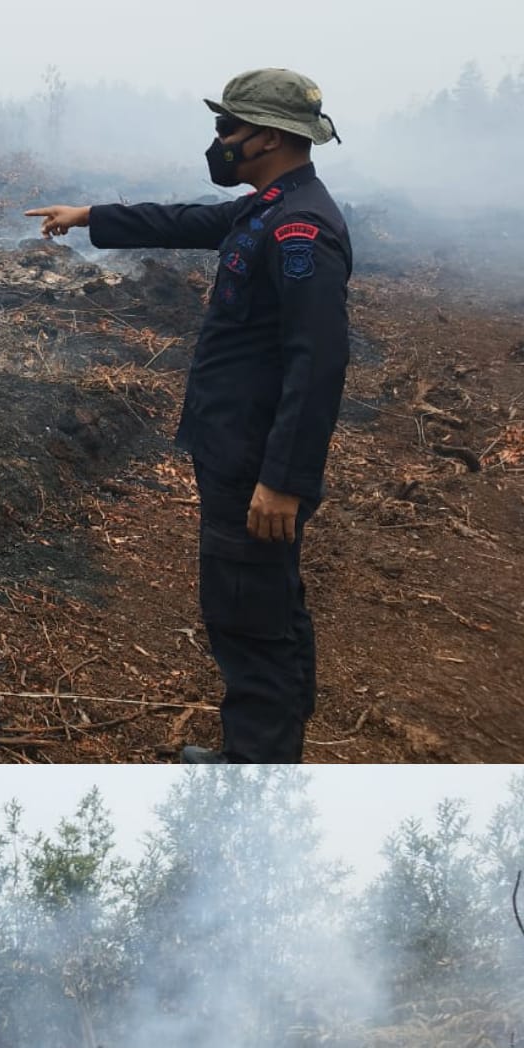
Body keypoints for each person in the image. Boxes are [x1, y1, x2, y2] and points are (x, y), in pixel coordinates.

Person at [27, 69, 351, 763]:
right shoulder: (267, 207)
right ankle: (267, 755)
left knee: (248, 615)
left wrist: (284, 480)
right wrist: (90, 216)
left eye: (227, 129)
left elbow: (317, 361)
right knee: (266, 607)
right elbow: (184, 221)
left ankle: (253, 772)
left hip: (255, 463)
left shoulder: (300, 228)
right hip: (236, 447)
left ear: (268, 135)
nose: (219, 141)